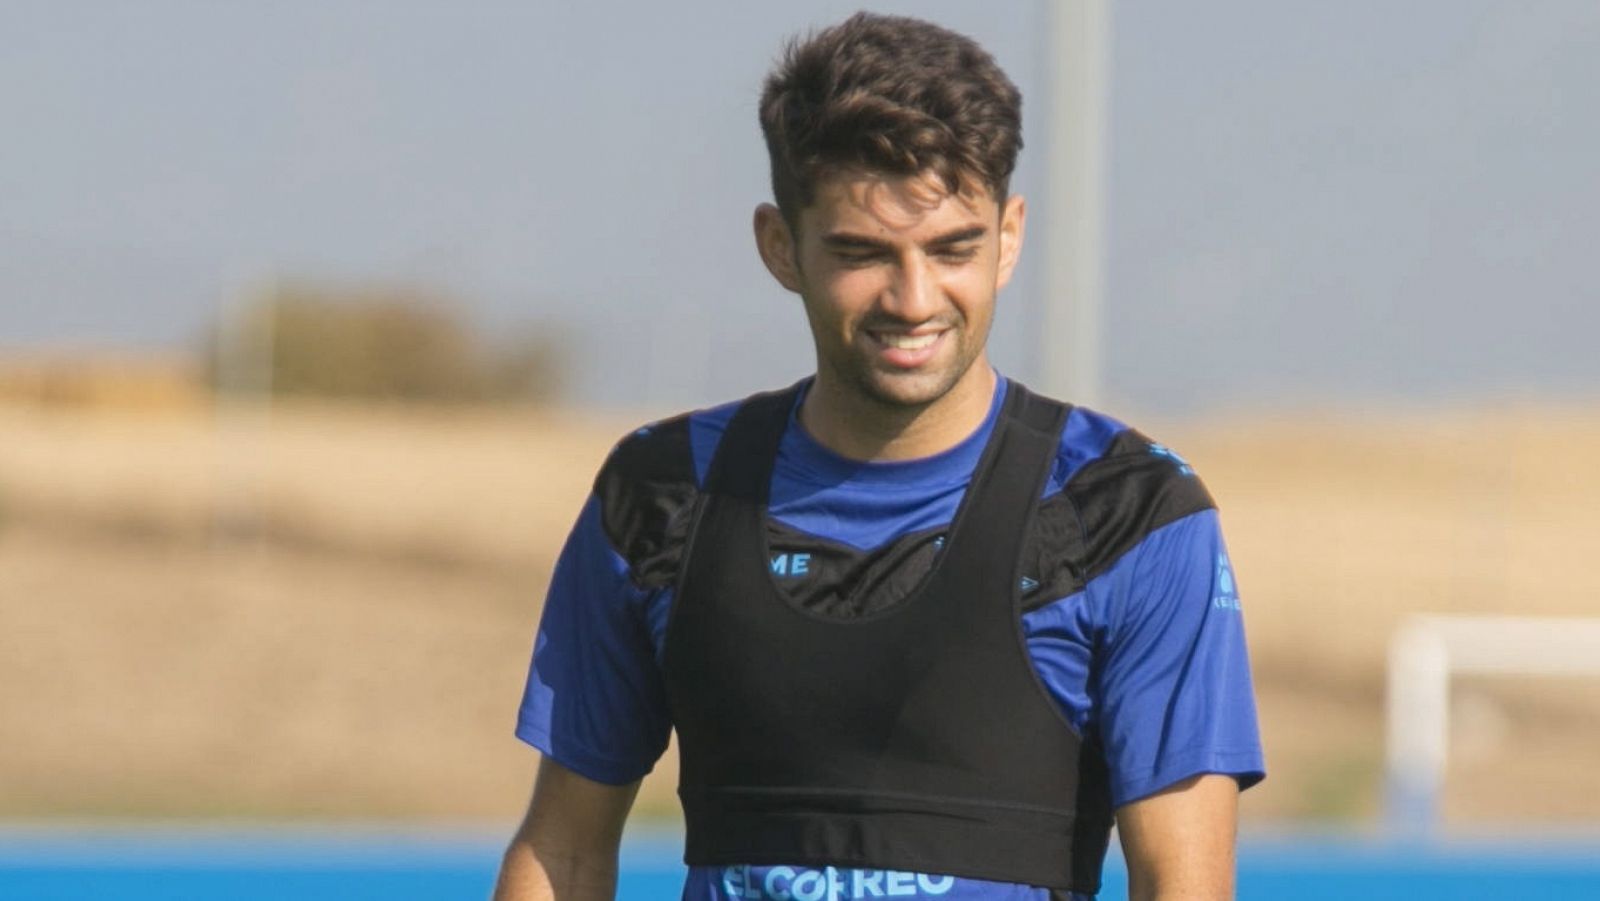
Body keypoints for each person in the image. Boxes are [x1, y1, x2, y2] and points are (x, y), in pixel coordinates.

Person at [494, 12, 1264, 901]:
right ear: (781, 246)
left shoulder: (1126, 511)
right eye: (863, 252)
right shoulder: (661, 493)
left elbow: (1185, 883)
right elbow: (567, 852)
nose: (913, 296)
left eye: (952, 248)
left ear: (1009, 236)